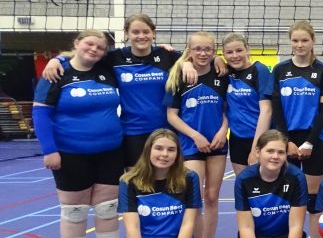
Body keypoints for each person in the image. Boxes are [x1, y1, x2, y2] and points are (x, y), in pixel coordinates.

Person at [40, 13, 220, 168]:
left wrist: (210, 60)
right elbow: (85, 55)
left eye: (146, 32)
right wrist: (57, 60)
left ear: (153, 33)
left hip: (166, 131)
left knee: (167, 183)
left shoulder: (167, 55)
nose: (141, 36)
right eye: (135, 32)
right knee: (136, 184)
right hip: (132, 132)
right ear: (127, 34)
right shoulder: (115, 58)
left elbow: (201, 56)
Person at [32, 29, 124, 238]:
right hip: (71, 154)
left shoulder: (106, 70)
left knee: (107, 209)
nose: (94, 50)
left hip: (110, 152)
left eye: (100, 47)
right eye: (89, 44)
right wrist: (49, 150)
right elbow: (40, 114)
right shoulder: (56, 73)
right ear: (77, 44)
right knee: (74, 212)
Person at [271, 20, 323, 238]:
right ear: (290, 42)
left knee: (312, 198)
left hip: (313, 139)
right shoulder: (280, 70)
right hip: (285, 139)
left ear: (312, 42)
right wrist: (286, 141)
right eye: (295, 40)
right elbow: (276, 108)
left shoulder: (322, 71)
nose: (299, 45)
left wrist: (309, 141)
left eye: (304, 40)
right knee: (286, 196)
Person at [165, 31, 229, 238]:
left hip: (217, 144)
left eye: (208, 49)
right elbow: (172, 116)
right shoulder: (179, 76)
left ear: (214, 51)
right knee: (194, 199)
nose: (203, 53)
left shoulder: (221, 75)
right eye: (198, 49)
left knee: (212, 197)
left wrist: (223, 130)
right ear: (189, 50)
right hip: (191, 145)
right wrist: (195, 136)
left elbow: (227, 110)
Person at [234, 130, 309, 238]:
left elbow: (296, 226)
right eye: (270, 151)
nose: (275, 156)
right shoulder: (244, 179)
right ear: (258, 152)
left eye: (281, 152)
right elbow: (245, 227)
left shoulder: (296, 177)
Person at [222, 33, 273, 174]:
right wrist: (216, 60)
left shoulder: (259, 70)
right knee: (243, 183)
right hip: (237, 139)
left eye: (239, 50)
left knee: (264, 183)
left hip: (260, 138)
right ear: (223, 54)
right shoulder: (226, 72)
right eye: (229, 52)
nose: (235, 56)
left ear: (247, 49)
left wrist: (256, 148)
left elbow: (267, 111)